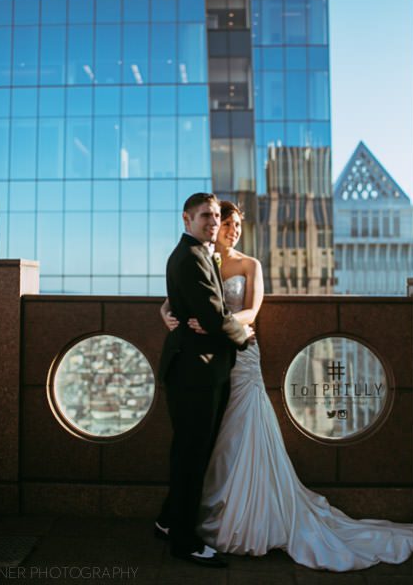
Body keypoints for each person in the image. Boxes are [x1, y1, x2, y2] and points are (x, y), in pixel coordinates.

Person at [160, 200, 413, 571]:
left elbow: (251, 311)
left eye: (231, 223)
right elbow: (175, 301)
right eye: (220, 221)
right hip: (209, 363)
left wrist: (225, 324)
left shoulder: (248, 264)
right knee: (203, 444)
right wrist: (172, 317)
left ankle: (245, 514)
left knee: (236, 434)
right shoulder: (202, 257)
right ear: (194, 220)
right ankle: (195, 519)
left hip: (239, 355)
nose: (227, 228)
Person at [156, 192, 254, 568]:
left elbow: (205, 314)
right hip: (194, 371)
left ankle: (167, 521)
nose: (213, 222)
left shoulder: (198, 253)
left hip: (199, 366)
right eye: (205, 217)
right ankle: (184, 541)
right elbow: (213, 315)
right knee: (192, 457)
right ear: (187, 219)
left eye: (216, 216)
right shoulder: (191, 257)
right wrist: (243, 336)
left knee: (189, 452)